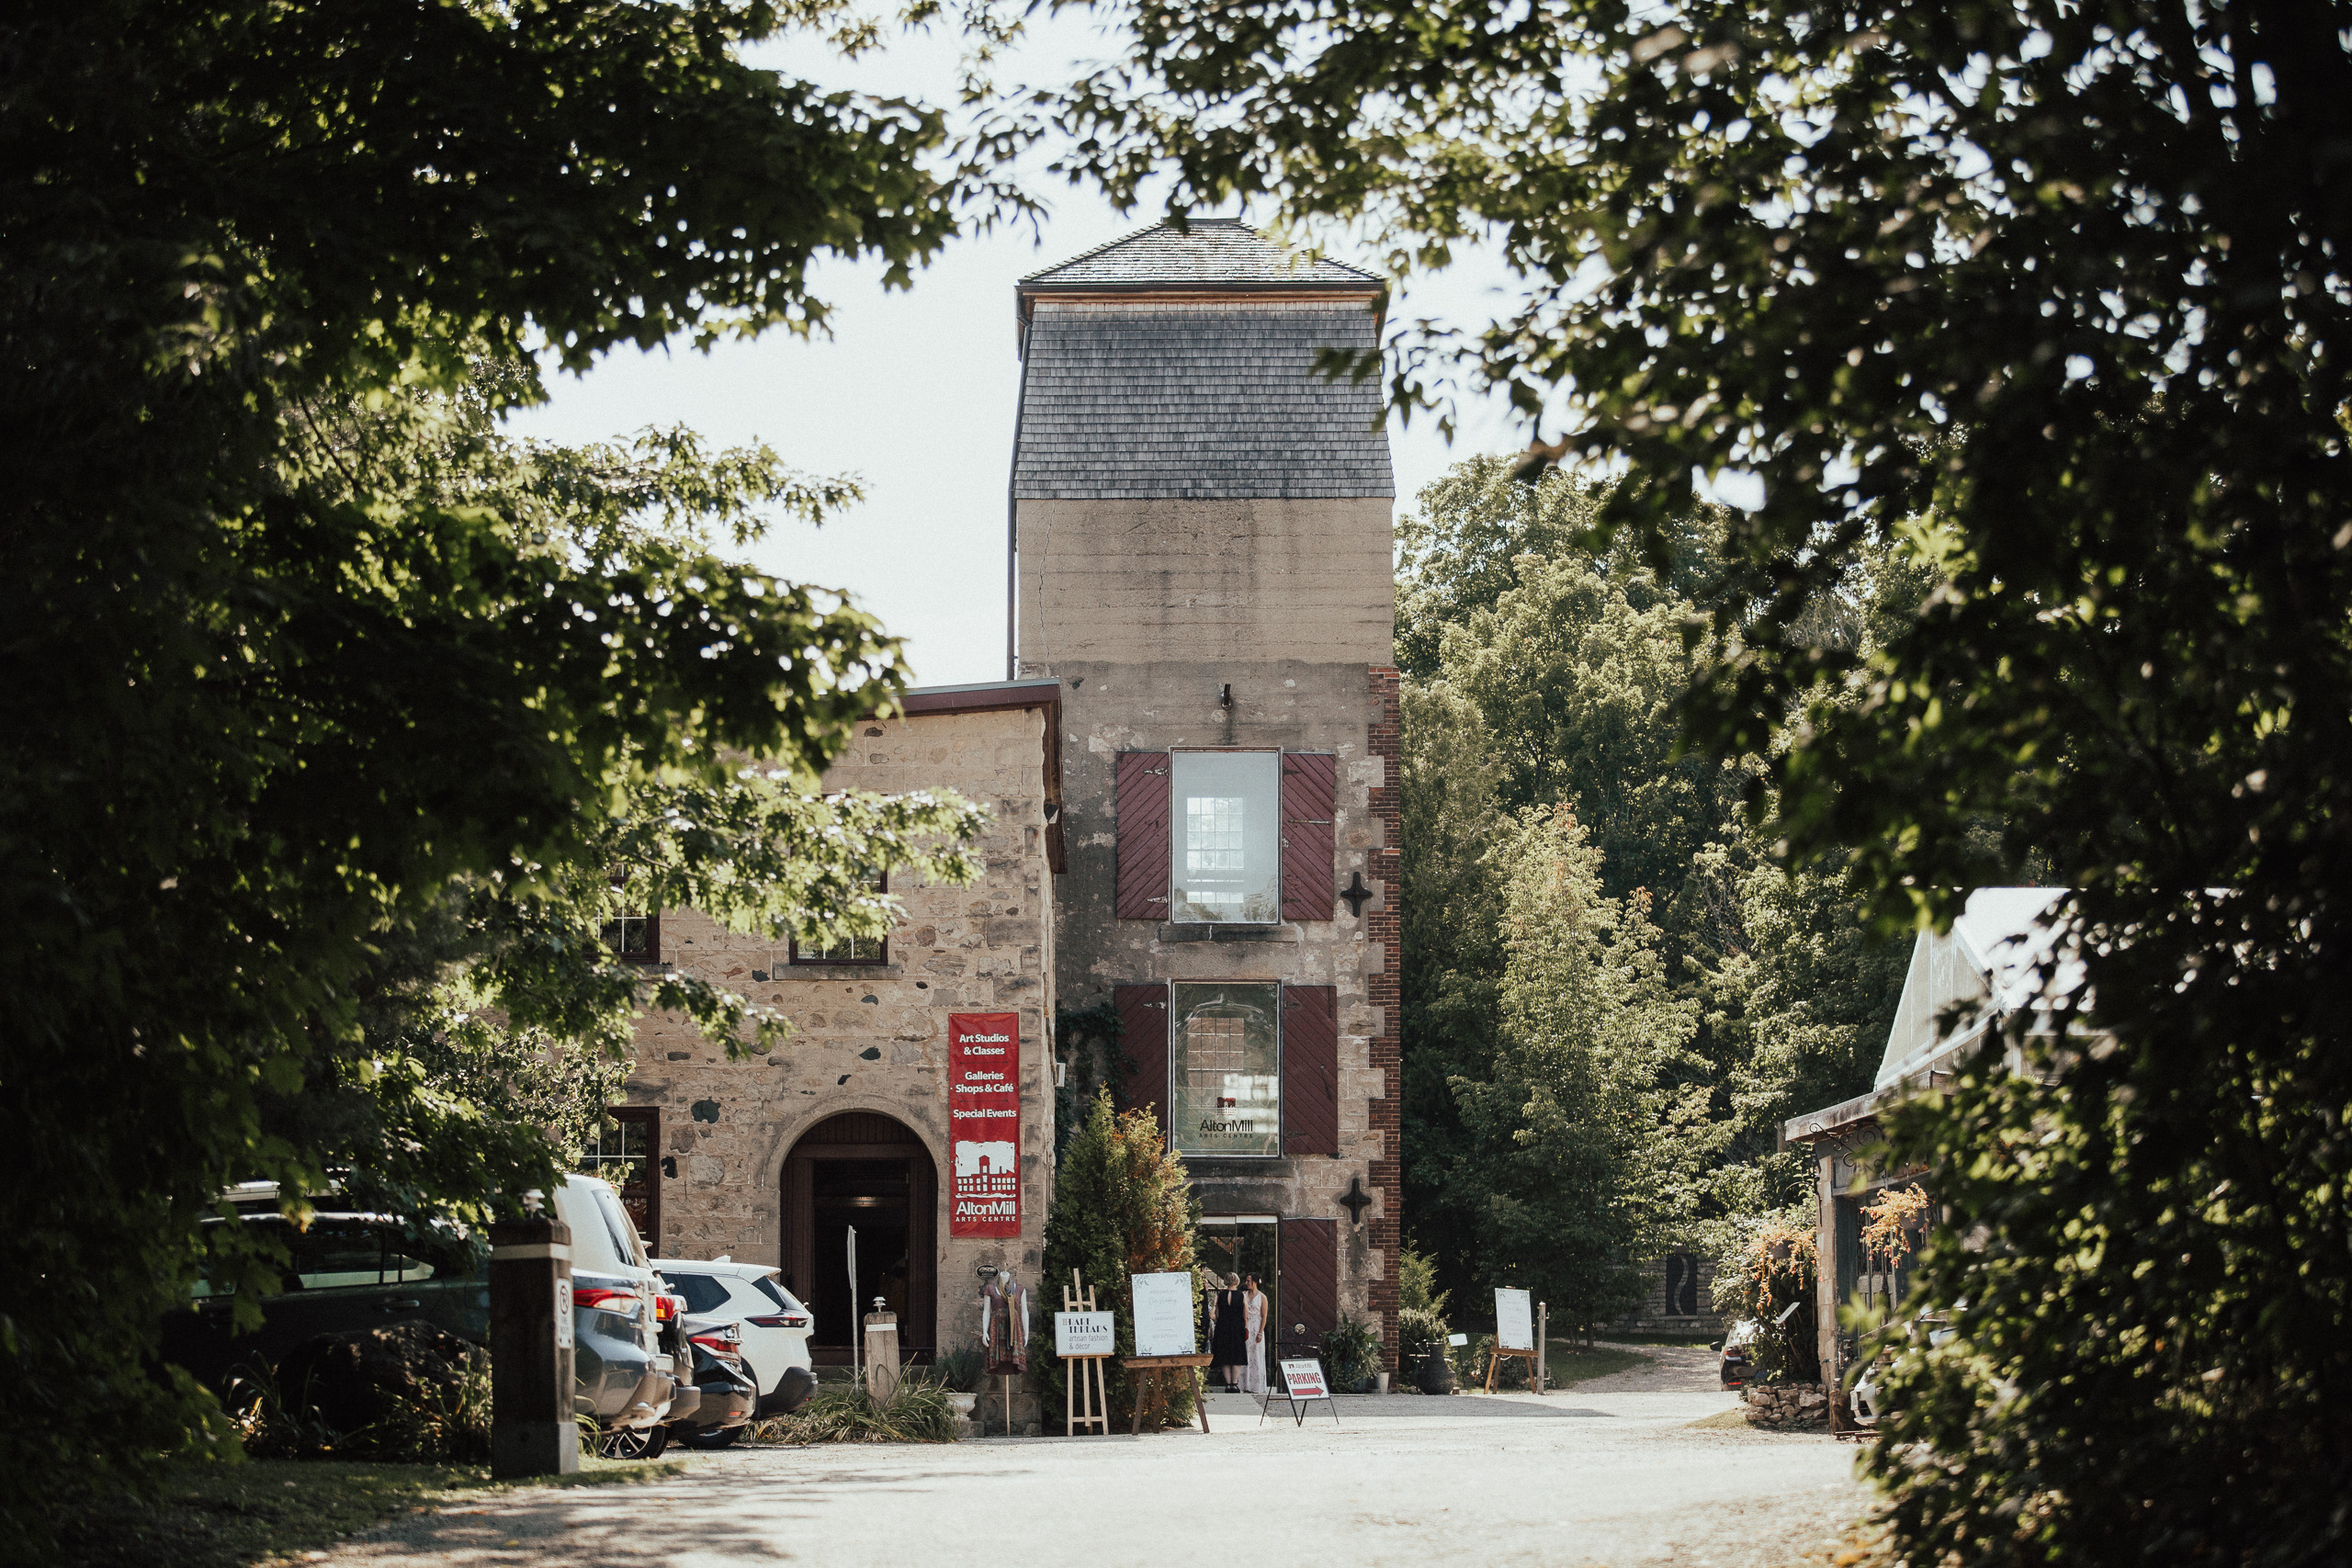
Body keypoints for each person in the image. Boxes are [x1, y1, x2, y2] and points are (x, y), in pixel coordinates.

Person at [1209, 1271, 1247, 1391]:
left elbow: (1217, 1314)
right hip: (1237, 1327)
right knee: (1237, 1355)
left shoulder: (1220, 1295)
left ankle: (1228, 1384)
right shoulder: (1241, 1295)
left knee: (1224, 1355)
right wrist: (1245, 1326)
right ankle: (1234, 1384)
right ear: (1236, 1281)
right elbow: (1245, 1314)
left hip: (1223, 1327)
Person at [1239, 1274, 1269, 1395]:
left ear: (1255, 1282)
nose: (1246, 1283)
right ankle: (1243, 1384)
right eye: (1246, 1280)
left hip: (1256, 1326)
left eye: (1249, 1281)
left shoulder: (1262, 1297)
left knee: (1256, 1355)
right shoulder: (1243, 1295)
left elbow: (1264, 1316)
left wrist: (1260, 1332)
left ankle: (1256, 1385)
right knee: (1244, 1353)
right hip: (1245, 1326)